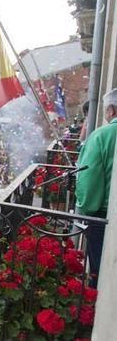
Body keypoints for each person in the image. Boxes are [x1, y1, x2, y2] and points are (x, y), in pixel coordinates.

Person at [76, 88, 117, 287]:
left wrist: (86, 209)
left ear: (111, 111)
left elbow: (88, 177)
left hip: (103, 215)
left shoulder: (102, 135)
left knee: (99, 273)